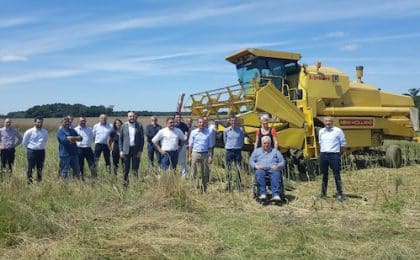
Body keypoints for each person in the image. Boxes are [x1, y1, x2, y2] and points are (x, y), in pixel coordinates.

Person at [318, 116, 347, 201]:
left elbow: (343, 145)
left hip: (334, 154)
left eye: (329, 121)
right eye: (326, 121)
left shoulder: (338, 131)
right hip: (323, 154)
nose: (328, 123)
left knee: (336, 174)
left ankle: (340, 193)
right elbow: (320, 143)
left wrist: (338, 154)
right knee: (324, 174)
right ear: (324, 122)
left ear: (332, 122)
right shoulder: (321, 131)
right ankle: (323, 193)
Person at [249, 136, 285, 201]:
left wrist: (278, 165)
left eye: (268, 143)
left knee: (276, 173)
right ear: (262, 143)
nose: (266, 145)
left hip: (272, 169)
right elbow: (251, 161)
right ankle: (263, 194)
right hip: (261, 169)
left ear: (270, 143)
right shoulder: (256, 151)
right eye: (264, 143)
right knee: (259, 173)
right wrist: (255, 166)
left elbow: (282, 162)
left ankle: (276, 195)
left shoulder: (275, 152)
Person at [119, 111, 144, 186]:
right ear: (127, 117)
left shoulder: (139, 126)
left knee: (135, 168)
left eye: (133, 116)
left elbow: (142, 139)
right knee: (126, 169)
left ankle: (135, 185)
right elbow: (120, 139)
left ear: (134, 117)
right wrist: (121, 151)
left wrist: (140, 151)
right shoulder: (123, 126)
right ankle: (125, 184)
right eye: (130, 116)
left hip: (136, 151)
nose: (131, 118)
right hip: (126, 151)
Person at [188, 117, 213, 192]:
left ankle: (204, 189)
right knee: (193, 172)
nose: (201, 124)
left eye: (203, 122)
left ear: (205, 123)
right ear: (197, 123)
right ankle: (193, 188)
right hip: (195, 153)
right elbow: (190, 145)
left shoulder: (208, 132)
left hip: (205, 154)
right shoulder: (193, 132)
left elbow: (210, 146)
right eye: (200, 122)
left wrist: (210, 156)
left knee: (205, 172)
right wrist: (189, 156)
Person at [22, 117, 48, 184]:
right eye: (38, 122)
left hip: (41, 152)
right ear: (35, 122)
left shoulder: (45, 131)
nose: (40, 123)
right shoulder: (29, 131)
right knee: (31, 168)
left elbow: (45, 141)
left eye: (41, 122)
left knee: (40, 168)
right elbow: (24, 142)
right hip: (32, 152)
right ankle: (29, 183)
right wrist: (30, 148)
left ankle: (39, 182)